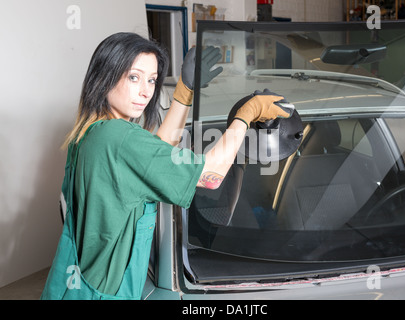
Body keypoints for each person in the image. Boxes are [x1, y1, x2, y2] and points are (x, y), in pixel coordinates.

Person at [41, 32, 291, 300]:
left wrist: (184, 90)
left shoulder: (90, 133)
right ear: (105, 75)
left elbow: (158, 155)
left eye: (151, 80)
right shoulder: (120, 138)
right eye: (134, 77)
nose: (146, 91)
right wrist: (247, 113)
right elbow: (211, 176)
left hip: (76, 286)